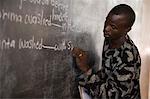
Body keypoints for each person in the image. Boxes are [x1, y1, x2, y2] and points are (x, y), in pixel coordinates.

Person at [72, 4, 141, 99]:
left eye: (113, 27)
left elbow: (110, 96)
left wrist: (86, 70)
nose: (106, 29)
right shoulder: (110, 39)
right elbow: (107, 73)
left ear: (126, 30)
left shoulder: (128, 59)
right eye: (106, 22)